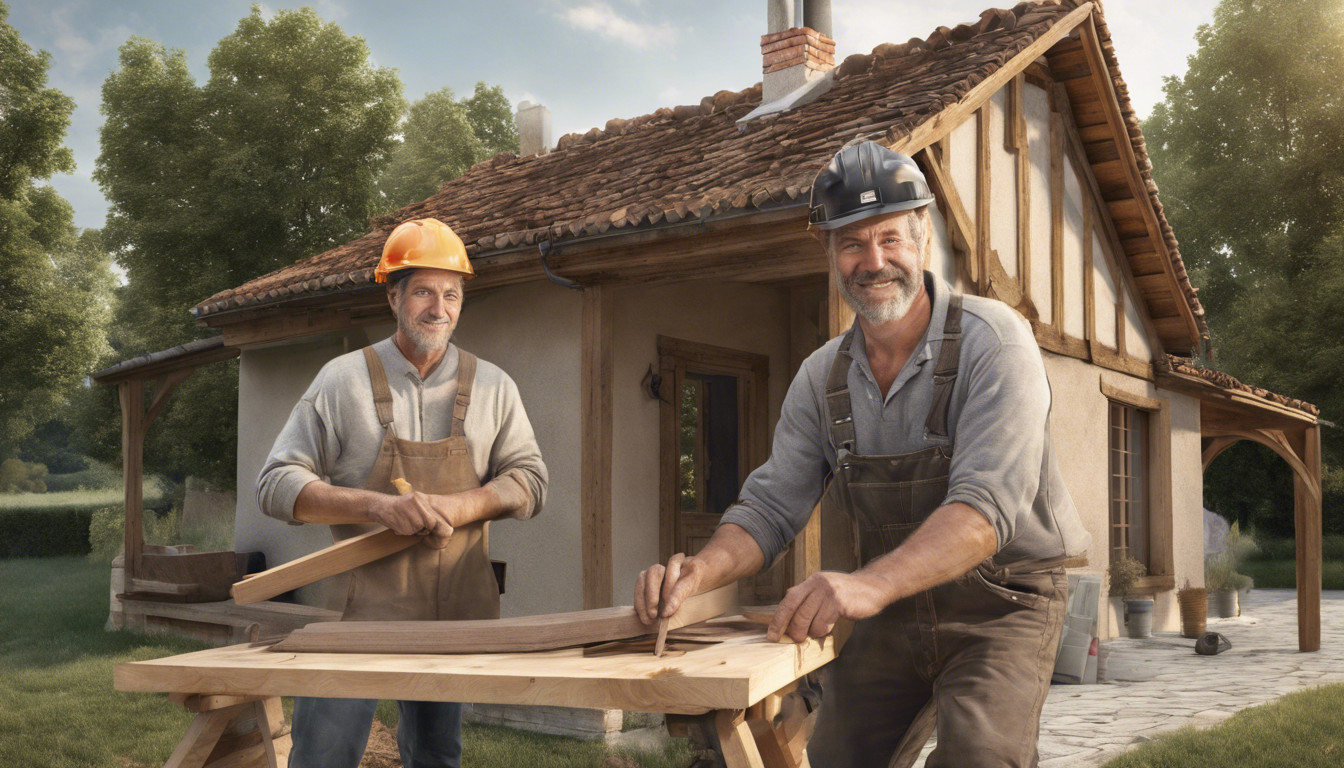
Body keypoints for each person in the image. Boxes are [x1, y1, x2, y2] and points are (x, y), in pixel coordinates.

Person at [634, 141, 1090, 768]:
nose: (873, 262)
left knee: (979, 758)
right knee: (839, 760)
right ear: (828, 254)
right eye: (851, 244)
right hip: (894, 611)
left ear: (923, 236)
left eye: (890, 239)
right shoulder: (822, 377)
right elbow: (770, 506)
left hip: (1002, 604)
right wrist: (699, 574)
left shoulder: (995, 342)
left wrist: (866, 585)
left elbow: (984, 512)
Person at [257, 217, 548, 768]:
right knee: (323, 757)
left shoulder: (494, 386)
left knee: (437, 757)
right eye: (422, 292)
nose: (439, 308)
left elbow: (531, 479)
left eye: (451, 294)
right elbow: (275, 484)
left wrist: (462, 505)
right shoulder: (341, 380)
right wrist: (377, 507)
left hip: (452, 618)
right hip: (357, 616)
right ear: (393, 296)